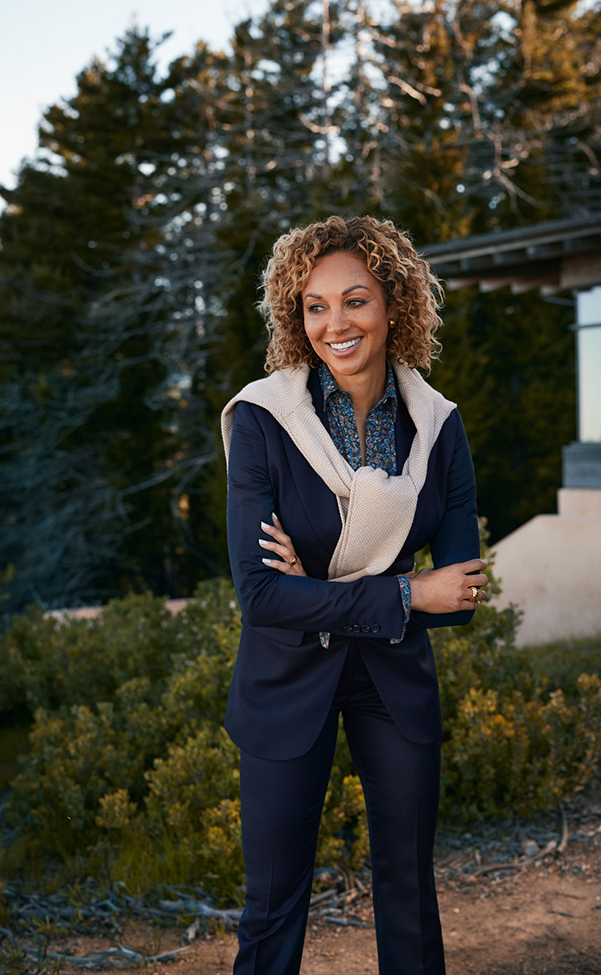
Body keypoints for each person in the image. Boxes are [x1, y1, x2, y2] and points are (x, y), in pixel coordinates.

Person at [221, 215, 487, 975]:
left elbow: (461, 594)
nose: (335, 323)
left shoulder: (438, 428)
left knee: (409, 891)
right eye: (315, 305)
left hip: (392, 681)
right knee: (273, 906)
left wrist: (324, 586)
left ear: (395, 305)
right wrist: (406, 590)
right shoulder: (266, 422)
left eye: (356, 300)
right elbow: (263, 598)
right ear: (295, 317)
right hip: (285, 680)